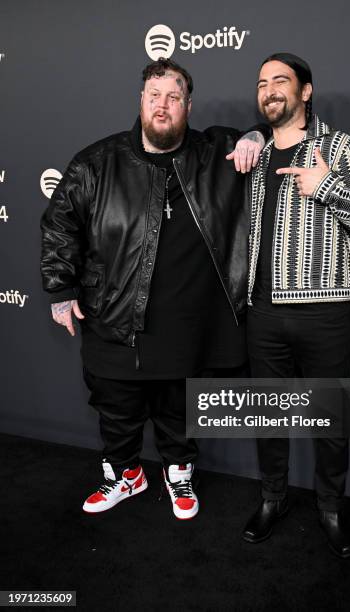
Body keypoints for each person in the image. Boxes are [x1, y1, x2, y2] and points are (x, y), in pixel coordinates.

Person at [40, 58, 267, 520]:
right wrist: (61, 288)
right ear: (140, 101)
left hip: (188, 319)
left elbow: (266, 126)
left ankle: (179, 471)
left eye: (174, 97)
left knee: (178, 406)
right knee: (115, 406)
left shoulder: (215, 150)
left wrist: (256, 136)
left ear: (188, 104)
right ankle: (125, 473)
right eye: (154, 96)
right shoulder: (96, 163)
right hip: (115, 313)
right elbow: (60, 224)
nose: (162, 106)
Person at [242, 53, 350, 557]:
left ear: (305, 91)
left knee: (330, 420)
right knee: (268, 417)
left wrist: (324, 187)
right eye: (262, 83)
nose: (269, 90)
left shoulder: (340, 147)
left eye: (280, 81)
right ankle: (273, 498)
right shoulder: (255, 153)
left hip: (325, 314)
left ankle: (330, 508)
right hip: (261, 313)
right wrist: (250, 136)